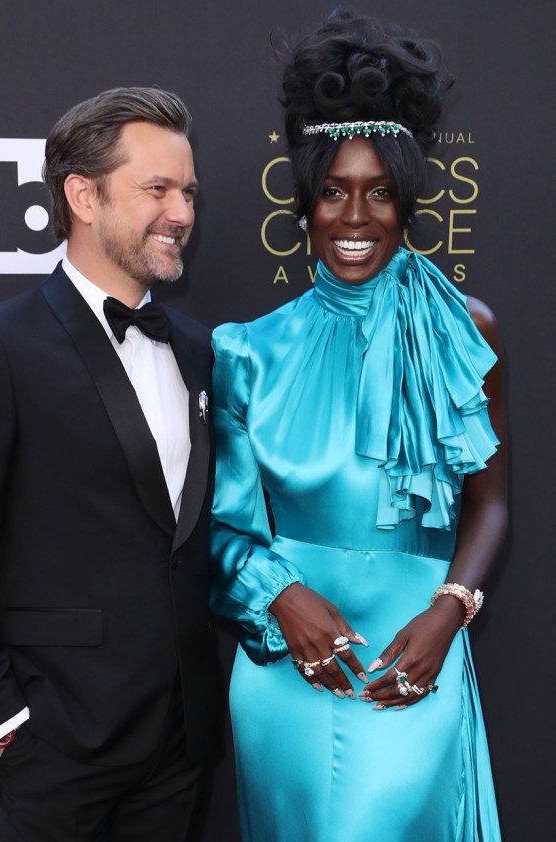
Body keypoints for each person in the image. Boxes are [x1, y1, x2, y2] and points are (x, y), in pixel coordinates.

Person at [210, 10, 506, 841]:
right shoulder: (245, 352)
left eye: (379, 192)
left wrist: (448, 614)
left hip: (418, 657)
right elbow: (225, 532)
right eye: (334, 191)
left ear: (407, 201)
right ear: (303, 203)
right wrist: (285, 596)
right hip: (287, 671)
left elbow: (493, 505)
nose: (355, 217)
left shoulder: (466, 329)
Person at [0, 86, 216, 842]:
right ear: (83, 195)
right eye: (156, 189)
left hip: (179, 738)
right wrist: (0, 718)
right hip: (59, 740)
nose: (180, 212)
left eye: (188, 193)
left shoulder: (198, 350)